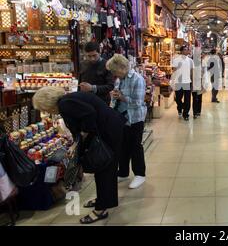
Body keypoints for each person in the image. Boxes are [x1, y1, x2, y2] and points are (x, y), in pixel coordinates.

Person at [32, 87, 125, 224]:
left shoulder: (65, 104)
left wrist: (83, 135)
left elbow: (89, 115)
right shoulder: (67, 100)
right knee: (103, 168)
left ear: (48, 103)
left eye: (44, 108)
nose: (45, 111)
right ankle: (103, 200)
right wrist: (78, 140)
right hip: (108, 128)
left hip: (108, 131)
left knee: (104, 168)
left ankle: (102, 209)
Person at [106, 54, 147, 189]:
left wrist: (122, 98)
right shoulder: (119, 80)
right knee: (122, 146)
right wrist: (114, 99)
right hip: (121, 118)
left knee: (135, 146)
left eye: (114, 71)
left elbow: (138, 102)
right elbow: (116, 97)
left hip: (135, 118)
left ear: (123, 67)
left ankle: (140, 174)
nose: (114, 74)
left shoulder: (137, 79)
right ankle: (123, 172)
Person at [172, 45, 194, 121]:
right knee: (178, 98)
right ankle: (180, 107)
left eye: (187, 50)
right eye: (185, 49)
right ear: (181, 51)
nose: (186, 51)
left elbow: (191, 72)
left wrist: (192, 81)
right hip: (178, 82)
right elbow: (174, 71)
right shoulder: (176, 60)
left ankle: (186, 114)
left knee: (187, 99)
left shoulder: (190, 60)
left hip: (187, 82)